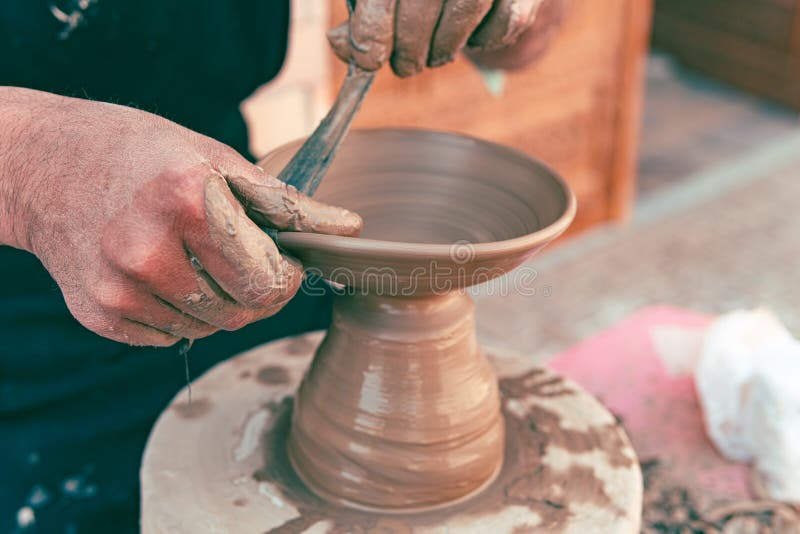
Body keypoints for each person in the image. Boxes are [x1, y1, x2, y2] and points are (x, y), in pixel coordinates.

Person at [0, 0, 557, 531]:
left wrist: (509, 16)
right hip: (23, 330)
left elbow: (530, 35)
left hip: (233, 237)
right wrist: (28, 164)